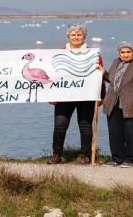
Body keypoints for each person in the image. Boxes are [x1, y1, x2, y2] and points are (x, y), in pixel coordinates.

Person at [47, 23, 102, 165]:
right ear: (68, 36)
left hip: (86, 95)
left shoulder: (93, 53)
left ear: (84, 37)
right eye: (73, 34)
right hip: (64, 96)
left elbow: (99, 74)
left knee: (85, 125)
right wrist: (50, 94)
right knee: (60, 125)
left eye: (79, 35)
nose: (76, 37)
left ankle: (84, 155)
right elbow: (52, 75)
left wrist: (100, 94)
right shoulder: (59, 52)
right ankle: (56, 155)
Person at [100, 41, 133, 167]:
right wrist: (103, 72)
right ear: (119, 53)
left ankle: (131, 160)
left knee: (132, 131)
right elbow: (111, 79)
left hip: (131, 102)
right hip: (113, 102)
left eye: (128, 52)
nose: (126, 55)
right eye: (123, 52)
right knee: (115, 131)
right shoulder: (116, 62)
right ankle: (117, 158)